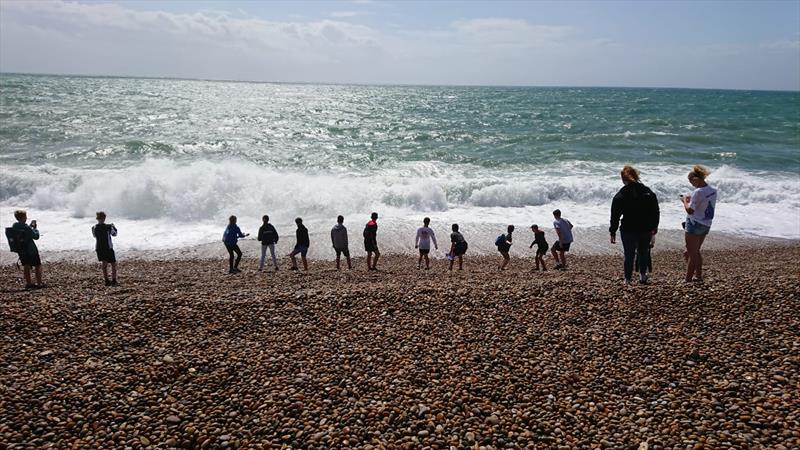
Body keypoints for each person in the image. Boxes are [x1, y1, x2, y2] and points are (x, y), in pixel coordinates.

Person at [609, 165, 660, 285]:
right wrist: (654, 227)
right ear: (636, 176)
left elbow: (615, 215)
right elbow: (655, 212)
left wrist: (613, 231)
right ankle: (642, 276)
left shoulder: (621, 194)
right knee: (643, 252)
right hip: (645, 228)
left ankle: (627, 279)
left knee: (629, 254)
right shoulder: (647, 191)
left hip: (628, 229)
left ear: (623, 178)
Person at [681, 165, 717, 282]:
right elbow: (704, 203)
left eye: (691, 181)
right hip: (706, 224)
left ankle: (688, 279)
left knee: (692, 252)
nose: (692, 184)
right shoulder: (712, 190)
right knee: (693, 251)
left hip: (695, 223)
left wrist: (685, 202)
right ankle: (698, 276)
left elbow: (690, 210)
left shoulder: (698, 192)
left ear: (696, 179)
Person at [9, 210, 44, 289]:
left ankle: (29, 283)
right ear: (23, 217)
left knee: (26, 265)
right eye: (25, 216)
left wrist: (29, 227)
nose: (26, 218)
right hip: (31, 250)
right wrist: (35, 229)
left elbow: (24, 231)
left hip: (21, 250)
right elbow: (36, 236)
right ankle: (39, 283)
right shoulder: (26, 227)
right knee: (38, 265)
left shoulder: (15, 226)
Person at [92, 211, 119, 286]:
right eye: (102, 218)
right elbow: (115, 234)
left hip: (100, 247)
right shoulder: (108, 227)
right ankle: (113, 280)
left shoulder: (94, 227)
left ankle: (107, 280)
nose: (102, 219)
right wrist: (113, 227)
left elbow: (94, 236)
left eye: (102, 218)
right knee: (112, 264)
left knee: (105, 264)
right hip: (108, 247)